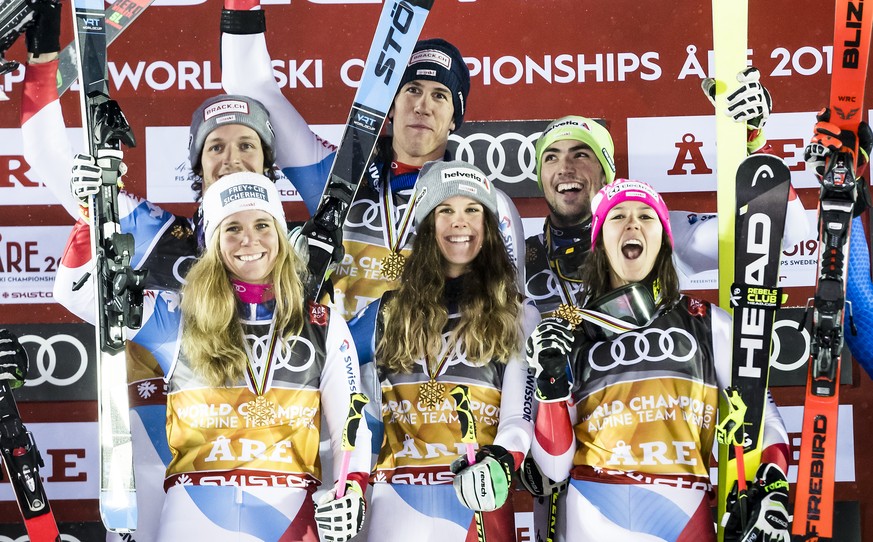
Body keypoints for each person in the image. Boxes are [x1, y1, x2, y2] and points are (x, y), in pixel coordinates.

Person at [54, 171, 372, 542]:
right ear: (212, 243)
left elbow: (351, 428)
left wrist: (352, 489)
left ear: (281, 236)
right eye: (232, 228)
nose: (249, 239)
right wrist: (87, 214)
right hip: (195, 511)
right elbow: (76, 294)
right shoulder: (178, 317)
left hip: (291, 514)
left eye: (262, 225)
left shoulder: (322, 323)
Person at [525, 179, 791, 541]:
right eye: (617, 216)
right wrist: (550, 385)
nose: (632, 224)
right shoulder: (570, 332)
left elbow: (764, 420)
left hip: (683, 510)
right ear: (600, 242)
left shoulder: (708, 321)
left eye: (646, 216)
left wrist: (772, 483)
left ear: (664, 239)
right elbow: (553, 468)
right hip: (594, 512)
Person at [356, 160, 538, 541]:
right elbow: (324, 372)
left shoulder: (518, 313)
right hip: (396, 507)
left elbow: (519, 418)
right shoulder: (384, 311)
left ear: (488, 228)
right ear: (426, 227)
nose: (460, 223)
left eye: (473, 210)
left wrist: (502, 460)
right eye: (445, 211)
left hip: (477, 500)